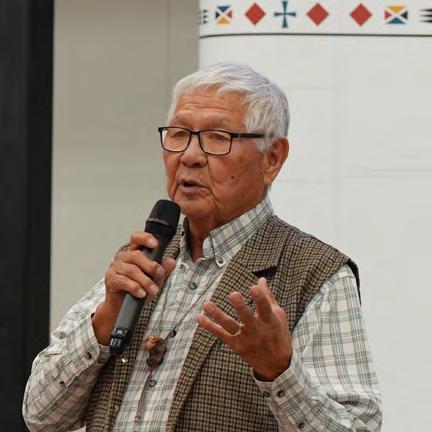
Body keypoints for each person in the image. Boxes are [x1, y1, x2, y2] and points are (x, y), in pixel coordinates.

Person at [23, 63, 382, 431]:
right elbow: (40, 415)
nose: (190, 156)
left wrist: (280, 372)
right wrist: (105, 319)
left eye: (217, 137)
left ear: (272, 158)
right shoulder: (144, 259)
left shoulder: (314, 273)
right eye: (179, 134)